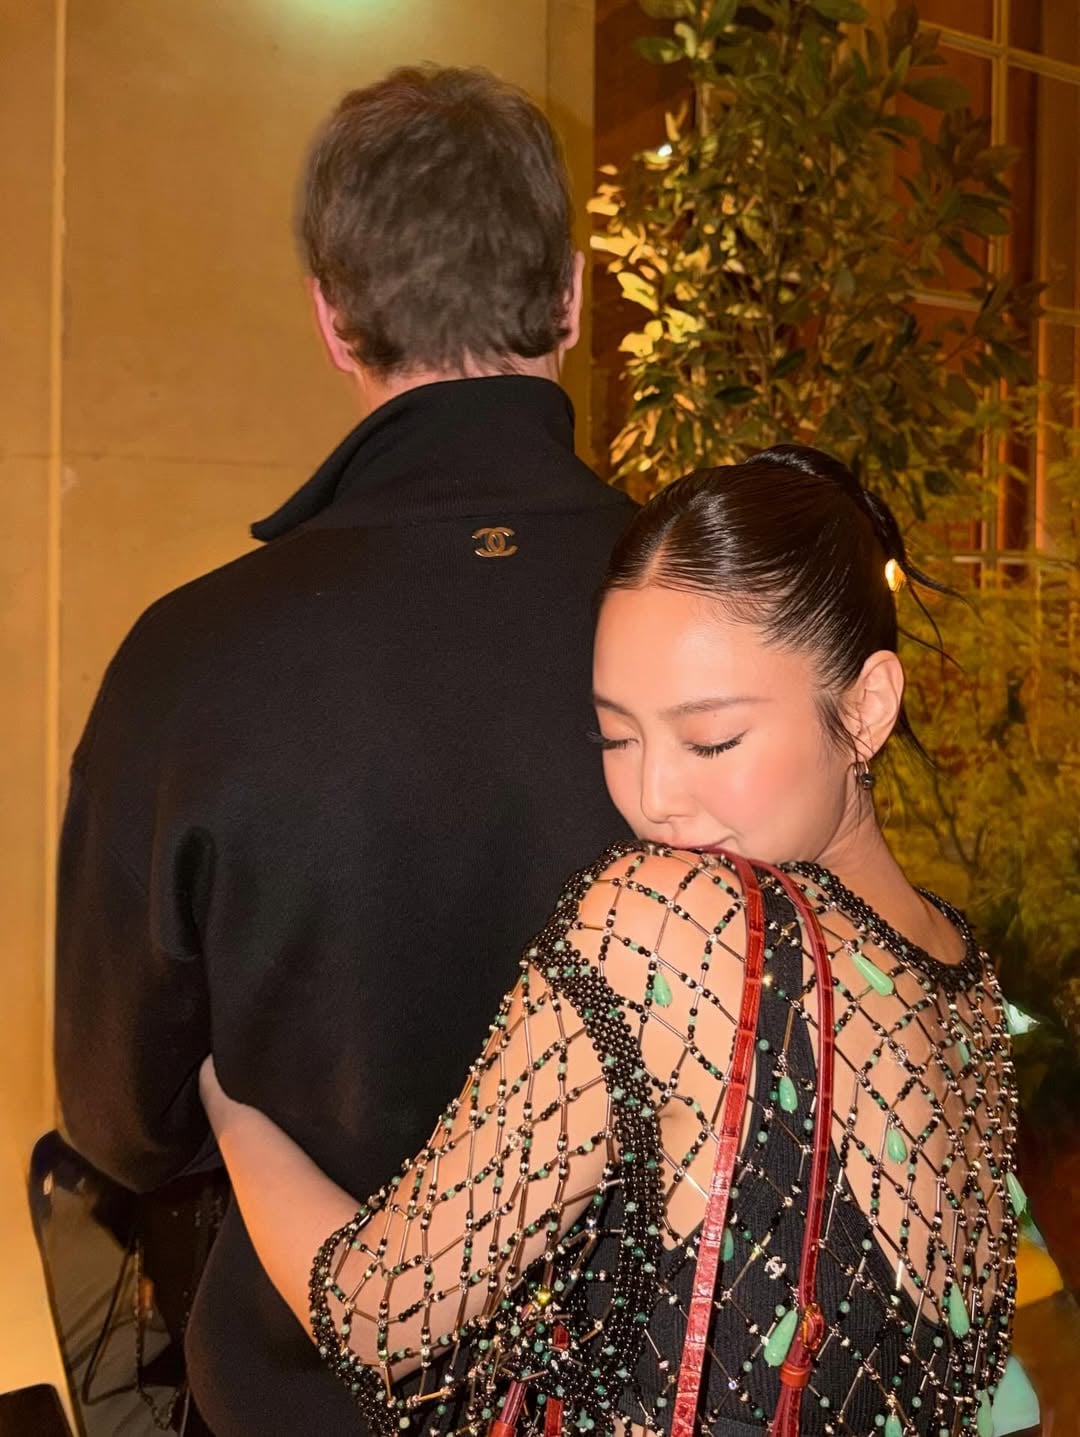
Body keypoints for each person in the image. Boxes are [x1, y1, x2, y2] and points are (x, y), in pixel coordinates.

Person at [201, 446, 1021, 1436]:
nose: (652, 798)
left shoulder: (682, 919)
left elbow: (377, 1313)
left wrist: (228, 1105)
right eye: (616, 737)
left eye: (711, 739)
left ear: (866, 706)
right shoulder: (962, 976)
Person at [54, 67, 634, 1435]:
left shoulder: (188, 658)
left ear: (331, 318)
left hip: (304, 1397)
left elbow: (117, 1119)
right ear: (572, 296)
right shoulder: (729, 632)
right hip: (659, 1390)